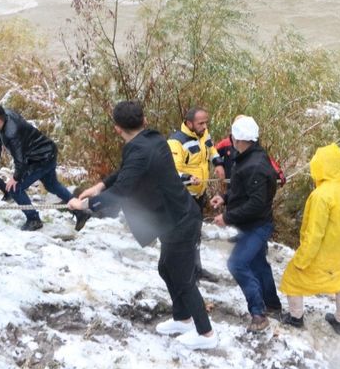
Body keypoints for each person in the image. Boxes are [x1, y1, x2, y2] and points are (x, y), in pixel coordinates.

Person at [68, 101, 214, 350]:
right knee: (166, 268)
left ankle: (206, 333)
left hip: (181, 220)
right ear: (144, 121)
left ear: (117, 128)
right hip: (171, 217)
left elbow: (121, 191)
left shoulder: (140, 149)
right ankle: (182, 319)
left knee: (182, 277)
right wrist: (100, 186)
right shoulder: (152, 139)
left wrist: (84, 205)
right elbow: (127, 172)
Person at [210, 116, 282, 332]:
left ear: (238, 139)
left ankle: (258, 315)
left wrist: (227, 218)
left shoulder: (254, 165)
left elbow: (256, 203)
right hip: (254, 223)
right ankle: (272, 304)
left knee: (238, 264)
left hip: (257, 225)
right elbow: (242, 190)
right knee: (258, 264)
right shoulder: (249, 157)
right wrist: (225, 198)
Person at [280, 144, 340, 335]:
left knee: (292, 277)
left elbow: (315, 233)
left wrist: (302, 259)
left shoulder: (321, 195)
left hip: (322, 252)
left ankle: (296, 317)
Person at [0, 102, 90, 232]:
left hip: (41, 159)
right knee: (52, 185)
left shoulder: (11, 133)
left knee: (14, 188)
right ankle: (80, 212)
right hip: (47, 151)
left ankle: (34, 220)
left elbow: (20, 162)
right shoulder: (5, 115)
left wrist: (15, 178)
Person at [168, 107, 217, 281]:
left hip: (199, 195)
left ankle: (196, 269)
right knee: (185, 235)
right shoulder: (176, 142)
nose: (204, 126)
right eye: (200, 123)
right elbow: (172, 170)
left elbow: (211, 149)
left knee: (196, 233)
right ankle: (184, 272)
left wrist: (218, 163)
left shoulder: (204, 134)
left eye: (206, 123)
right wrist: (188, 178)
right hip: (183, 196)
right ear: (189, 123)